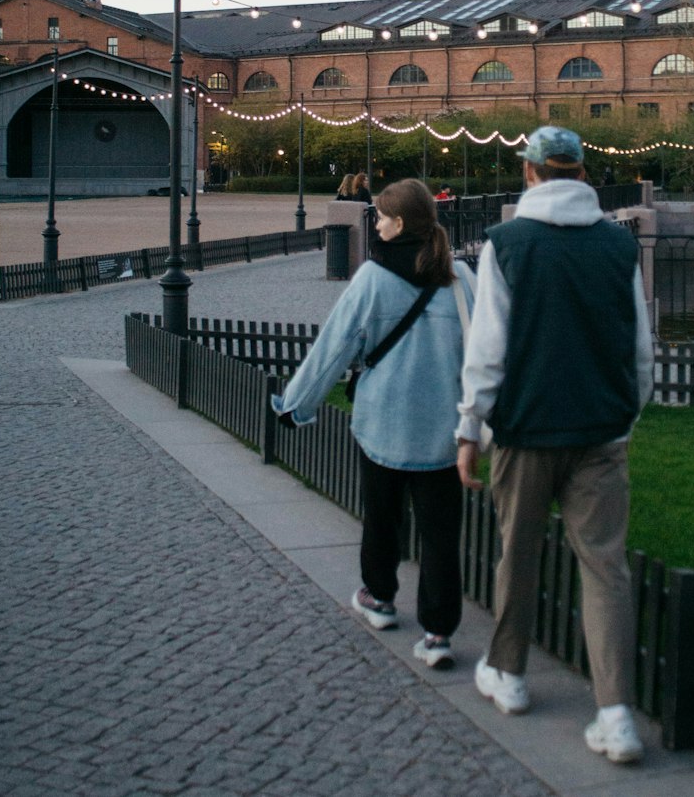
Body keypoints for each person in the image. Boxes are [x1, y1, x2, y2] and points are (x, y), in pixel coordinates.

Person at [455, 125, 654, 764]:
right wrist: (626, 419)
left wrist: (469, 429)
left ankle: (508, 675)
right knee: (606, 569)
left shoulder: (506, 244)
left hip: (526, 427)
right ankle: (617, 714)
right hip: (600, 430)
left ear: (529, 172)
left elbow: (486, 351)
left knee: (518, 552)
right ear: (584, 174)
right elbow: (640, 350)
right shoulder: (617, 246)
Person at [273, 178, 475, 670]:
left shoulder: (373, 277)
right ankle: (438, 632)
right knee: (441, 535)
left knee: (382, 517)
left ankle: (380, 598)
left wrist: (297, 406)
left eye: (382, 216)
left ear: (399, 224)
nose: (377, 223)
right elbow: (485, 354)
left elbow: (332, 350)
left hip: (384, 423)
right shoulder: (462, 276)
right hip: (445, 431)